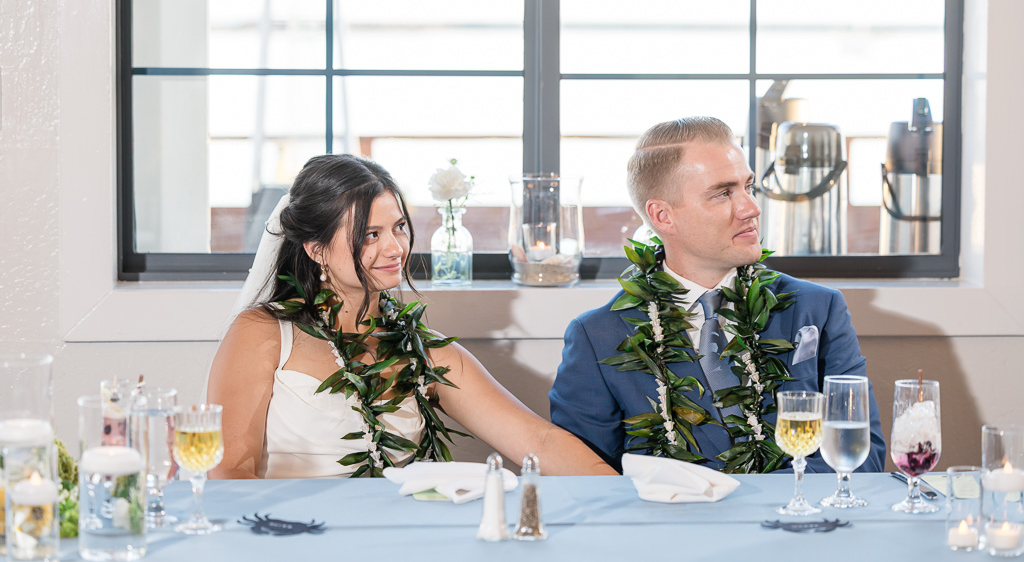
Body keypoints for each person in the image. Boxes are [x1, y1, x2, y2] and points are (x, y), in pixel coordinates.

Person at [208, 153, 615, 479]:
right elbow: (229, 471)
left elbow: (538, 442)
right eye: (371, 234)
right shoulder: (262, 333)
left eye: (399, 227)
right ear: (316, 248)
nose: (395, 248)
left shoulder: (428, 352)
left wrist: (628, 497)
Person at [549, 117, 886, 473]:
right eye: (723, 193)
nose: (751, 208)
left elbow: (862, 460)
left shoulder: (818, 308)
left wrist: (747, 503)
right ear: (663, 215)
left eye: (748, 187)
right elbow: (584, 481)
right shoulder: (598, 337)